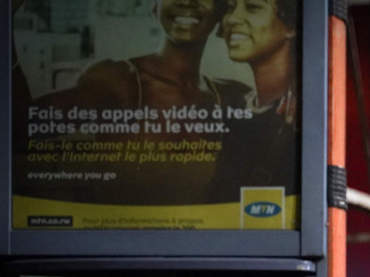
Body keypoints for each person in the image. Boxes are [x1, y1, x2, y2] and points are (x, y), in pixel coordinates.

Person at [13, 0, 249, 205]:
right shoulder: (120, 80)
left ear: (221, 13)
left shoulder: (228, 96)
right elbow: (22, 129)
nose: (186, 2)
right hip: (114, 250)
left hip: (196, 249)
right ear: (154, 6)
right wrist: (3, 23)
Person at [207, 0, 299, 203]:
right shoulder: (236, 107)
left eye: (253, 7)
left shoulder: (298, 117)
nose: (232, 19)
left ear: (291, 26)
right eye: (230, 8)